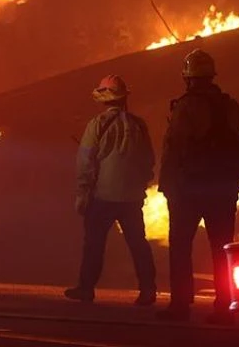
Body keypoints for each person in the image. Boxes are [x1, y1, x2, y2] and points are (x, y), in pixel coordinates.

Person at [155, 49, 239, 324]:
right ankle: (224, 306)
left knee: (181, 246)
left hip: (190, 189)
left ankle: (181, 305)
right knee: (222, 249)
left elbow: (174, 147)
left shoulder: (186, 106)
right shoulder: (230, 105)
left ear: (188, 78)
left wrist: (167, 185)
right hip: (223, 188)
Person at [64, 74, 157, 306]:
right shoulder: (139, 125)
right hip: (131, 198)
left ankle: (86, 289)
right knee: (138, 243)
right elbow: (148, 160)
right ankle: (148, 290)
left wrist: (83, 193)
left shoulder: (97, 125)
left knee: (94, 243)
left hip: (103, 196)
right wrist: (140, 185)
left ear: (103, 98)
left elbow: (85, 161)